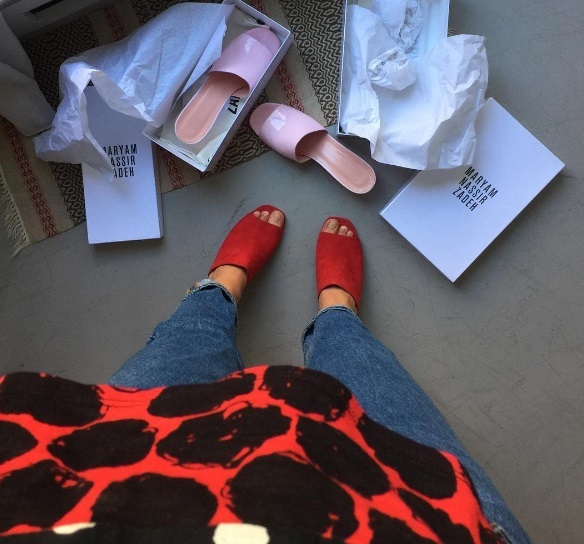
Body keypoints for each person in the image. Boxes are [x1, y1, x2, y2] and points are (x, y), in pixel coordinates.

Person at [0, 205, 530, 544]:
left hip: (81, 503)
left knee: (166, 379)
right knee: (397, 438)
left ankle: (219, 288)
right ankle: (337, 314)